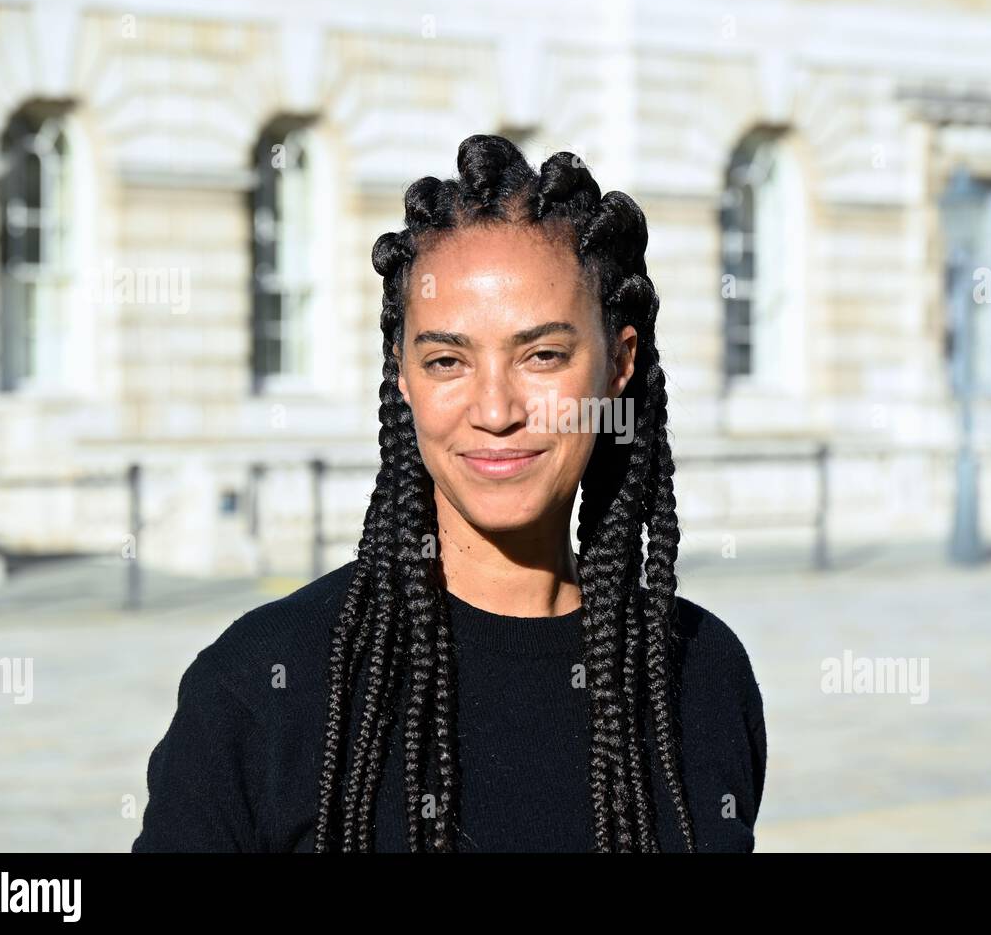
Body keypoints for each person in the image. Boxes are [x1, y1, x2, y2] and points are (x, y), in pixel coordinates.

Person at [131, 134, 766, 853]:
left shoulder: (702, 672)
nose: (495, 410)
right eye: (445, 359)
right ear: (403, 376)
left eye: (543, 355)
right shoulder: (258, 691)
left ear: (619, 363)